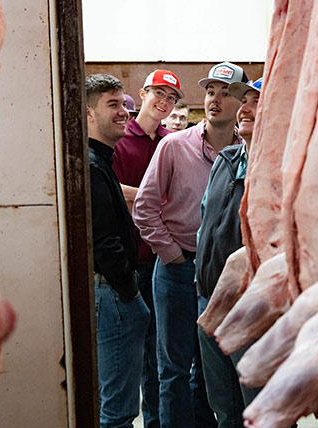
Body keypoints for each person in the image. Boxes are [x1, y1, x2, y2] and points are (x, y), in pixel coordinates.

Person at [133, 62, 249, 428]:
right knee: (173, 369)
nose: (215, 100)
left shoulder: (247, 154)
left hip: (223, 275)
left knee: (213, 367)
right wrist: (172, 255)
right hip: (178, 270)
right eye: (211, 91)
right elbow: (145, 207)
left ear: (243, 102)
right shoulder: (174, 146)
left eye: (225, 93)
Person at [112, 69, 184, 428]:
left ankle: (159, 421)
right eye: (158, 93)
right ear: (142, 93)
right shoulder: (121, 139)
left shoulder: (175, 142)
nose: (164, 102)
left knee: (164, 353)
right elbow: (112, 188)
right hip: (133, 258)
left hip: (167, 259)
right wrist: (151, 198)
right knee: (133, 353)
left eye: (171, 98)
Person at [195, 78, 263, 428]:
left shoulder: (278, 166)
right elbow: (206, 218)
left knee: (260, 406)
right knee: (223, 404)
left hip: (253, 306)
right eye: (245, 100)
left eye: (255, 101)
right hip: (209, 296)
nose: (245, 107)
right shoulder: (227, 158)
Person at [86, 73, 150, 428]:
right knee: (119, 410)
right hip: (113, 294)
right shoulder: (93, 167)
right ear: (89, 113)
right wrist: (129, 290)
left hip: (112, 292)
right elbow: (103, 239)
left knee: (113, 404)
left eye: (125, 104)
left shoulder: (101, 161)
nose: (124, 112)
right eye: (112, 105)